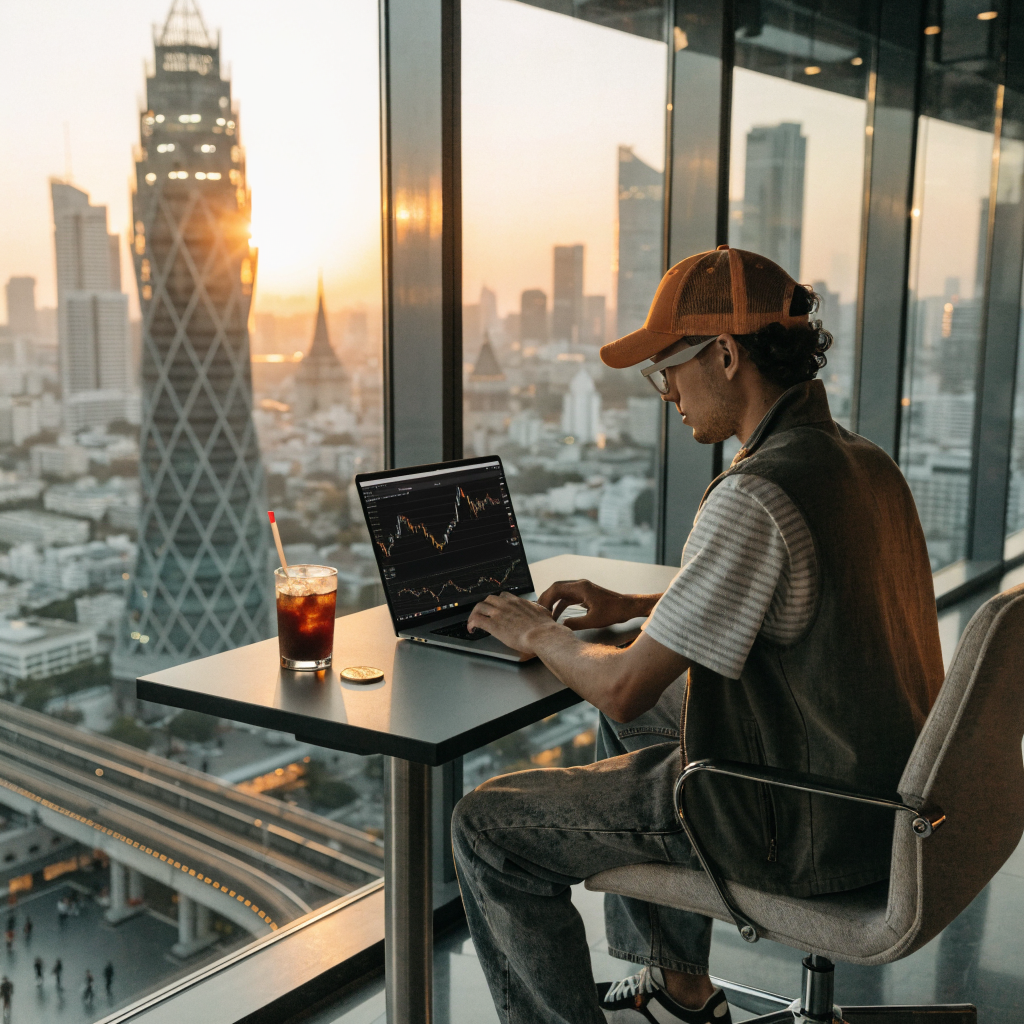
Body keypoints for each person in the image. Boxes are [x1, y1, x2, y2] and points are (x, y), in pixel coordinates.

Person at [453, 245, 944, 1024]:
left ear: (724, 354)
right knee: (632, 718)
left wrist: (534, 631)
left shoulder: (756, 491)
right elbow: (797, 587)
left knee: (486, 827)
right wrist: (638, 603)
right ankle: (675, 987)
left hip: (799, 820)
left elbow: (622, 681)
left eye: (669, 368)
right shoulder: (859, 462)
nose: (666, 393)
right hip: (888, 802)